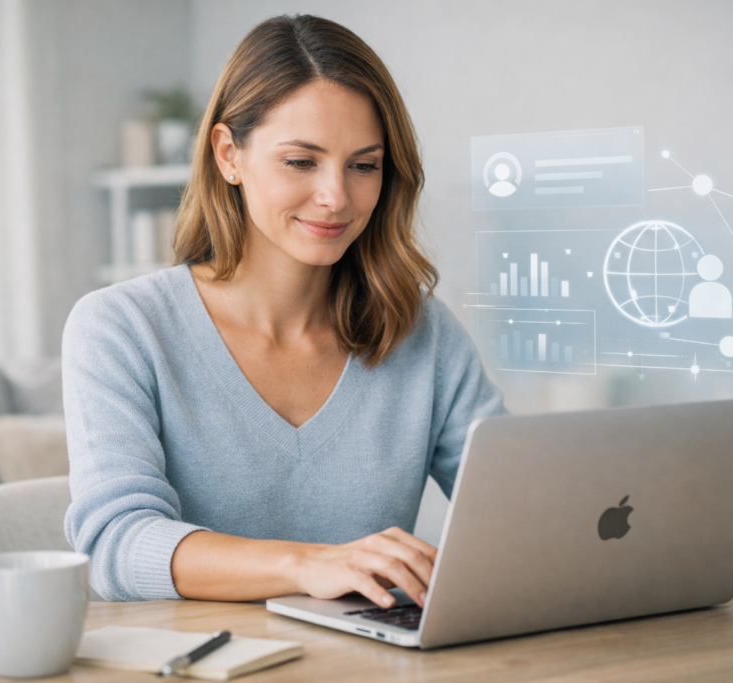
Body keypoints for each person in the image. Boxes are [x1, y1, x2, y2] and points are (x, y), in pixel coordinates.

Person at [63, 14, 504, 612]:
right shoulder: (121, 329)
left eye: (364, 165)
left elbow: (519, 511)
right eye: (301, 162)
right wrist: (309, 564)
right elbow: (116, 546)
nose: (337, 197)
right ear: (229, 156)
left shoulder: (420, 332)